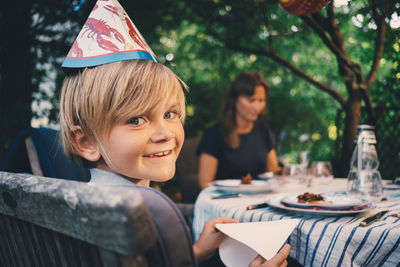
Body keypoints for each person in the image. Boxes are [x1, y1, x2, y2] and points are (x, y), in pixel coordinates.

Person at [58, 1, 290, 266]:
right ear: (86, 142)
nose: (164, 133)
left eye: (169, 114)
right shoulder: (144, 215)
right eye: (136, 119)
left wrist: (196, 252)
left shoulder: (90, 202)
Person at [197, 71, 281, 188]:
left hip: (259, 199)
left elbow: (273, 174)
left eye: (261, 100)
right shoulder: (213, 134)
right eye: (251, 100)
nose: (257, 107)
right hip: (227, 200)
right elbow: (205, 183)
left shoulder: (263, 130)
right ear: (235, 99)